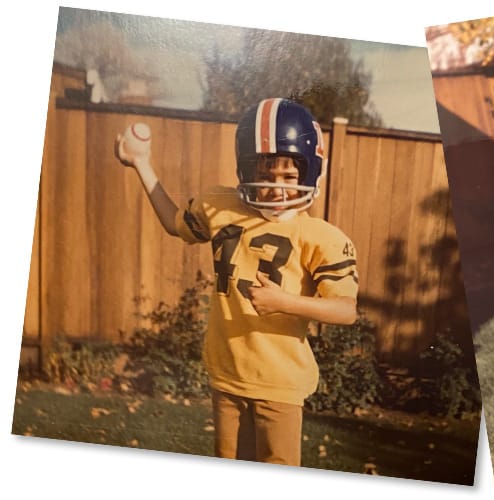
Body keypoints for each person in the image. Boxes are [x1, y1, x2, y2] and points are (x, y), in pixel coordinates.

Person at [115, 98, 359, 466]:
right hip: (227, 373)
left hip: (280, 382)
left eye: (289, 177)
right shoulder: (221, 206)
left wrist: (285, 302)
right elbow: (174, 223)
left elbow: (345, 310)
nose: (277, 189)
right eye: (267, 175)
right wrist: (141, 164)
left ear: (310, 173)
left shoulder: (321, 236)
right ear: (245, 170)